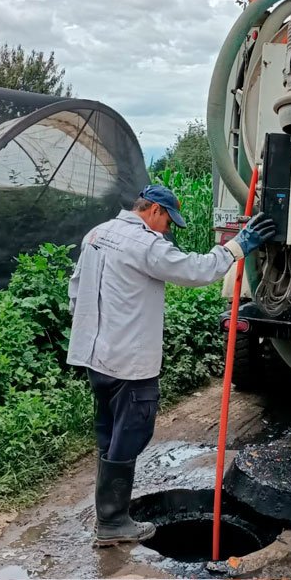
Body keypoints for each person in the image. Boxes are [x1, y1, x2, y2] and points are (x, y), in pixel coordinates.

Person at [67, 184, 275, 547]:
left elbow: (75, 286)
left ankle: (108, 516)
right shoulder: (145, 243)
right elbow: (196, 270)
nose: (167, 230)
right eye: (168, 222)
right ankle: (113, 522)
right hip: (129, 363)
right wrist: (238, 245)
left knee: (109, 434)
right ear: (154, 212)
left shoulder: (98, 234)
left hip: (95, 357)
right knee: (131, 435)